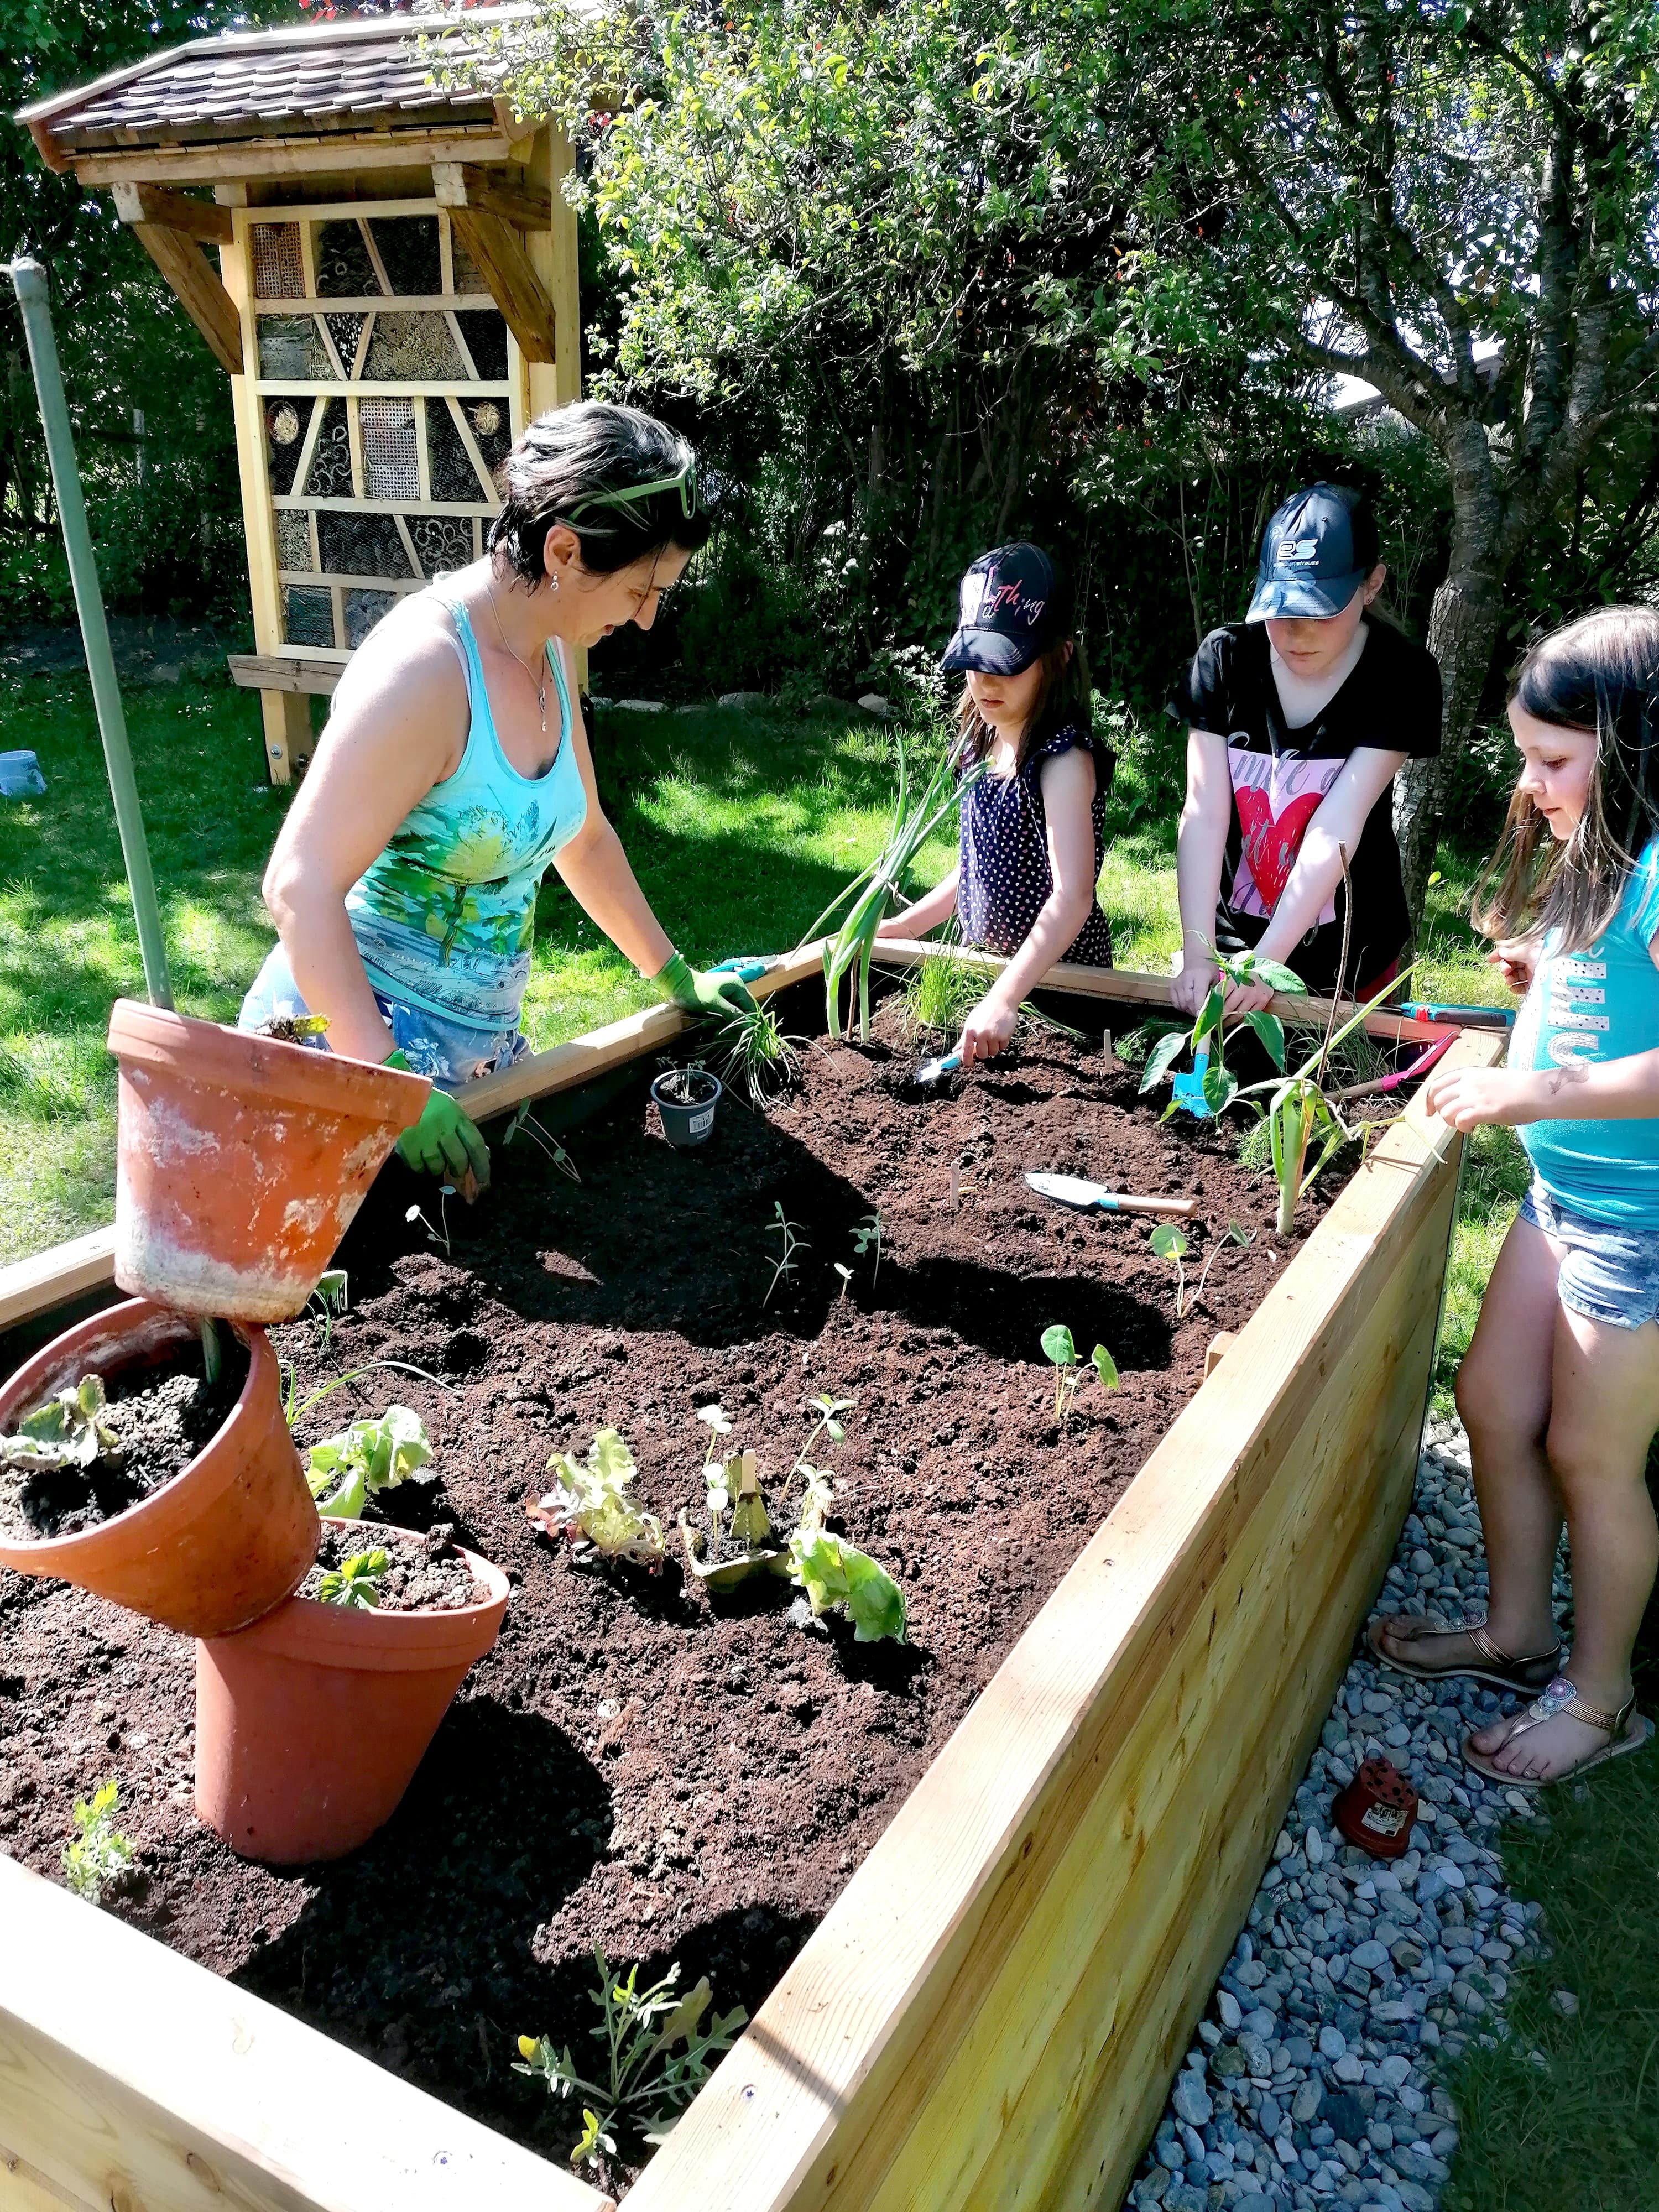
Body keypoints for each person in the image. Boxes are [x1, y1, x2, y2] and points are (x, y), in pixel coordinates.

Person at [240, 401, 756, 1188]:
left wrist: (675, 976)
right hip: (343, 1066)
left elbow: (583, 839)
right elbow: (298, 883)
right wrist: (390, 1085)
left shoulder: (550, 653)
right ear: (564, 550)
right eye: (642, 590)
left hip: (468, 1067)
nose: (649, 620)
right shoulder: (427, 671)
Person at [1370, 607, 1659, 1787]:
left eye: (1554, 760)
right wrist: (1547, 973)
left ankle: (1600, 1696)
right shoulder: (1602, 852)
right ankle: (1516, 1629)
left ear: (1636, 744)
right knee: (1492, 1400)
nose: (1532, 784)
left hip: (1637, 1229)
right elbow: (1610, 988)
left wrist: (1528, 1084)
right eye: (1526, 756)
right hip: (1558, 1199)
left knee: (1594, 1452)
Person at [1168, 483, 1442, 1015]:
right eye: (1281, 609)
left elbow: (1336, 827)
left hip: (1348, 959)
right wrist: (1200, 955)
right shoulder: (1225, 660)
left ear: (1372, 584)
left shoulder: (1401, 675)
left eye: (1321, 611)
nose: (1296, 633)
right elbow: (1203, 812)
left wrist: (1264, 965)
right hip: (1229, 940)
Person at [873, 542, 1114, 1063]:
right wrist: (904, 927)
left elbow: (1073, 896)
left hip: (1060, 992)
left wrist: (1005, 996)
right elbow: (977, 868)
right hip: (988, 974)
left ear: (1060, 657)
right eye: (974, 661)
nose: (984, 680)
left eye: (1006, 662)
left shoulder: (1062, 761)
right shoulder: (979, 743)